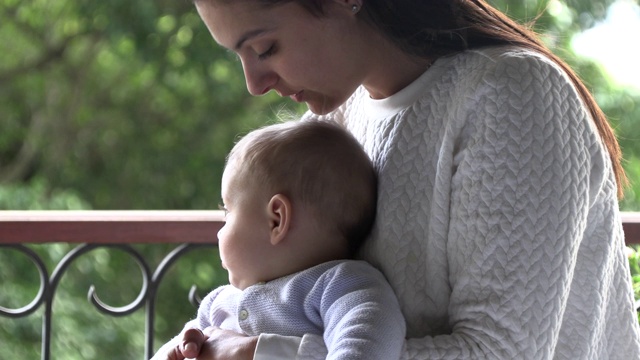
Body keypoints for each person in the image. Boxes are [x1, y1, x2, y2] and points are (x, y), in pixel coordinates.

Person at [178, 0, 640, 359]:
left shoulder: (513, 96)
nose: (254, 83)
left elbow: (499, 352)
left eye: (264, 48)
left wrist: (259, 354)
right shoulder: (341, 117)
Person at [152, 119, 406, 360]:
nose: (219, 231)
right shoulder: (219, 303)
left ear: (276, 220)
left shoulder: (341, 286)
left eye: (228, 212)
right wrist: (181, 349)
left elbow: (368, 345)